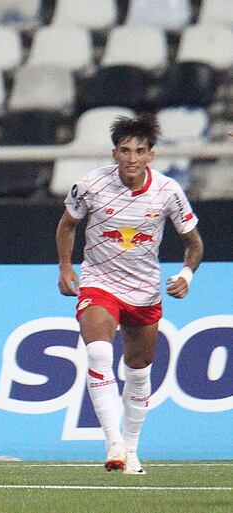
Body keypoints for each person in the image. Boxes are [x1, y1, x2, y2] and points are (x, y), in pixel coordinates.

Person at [55, 114, 203, 475]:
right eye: (125, 150)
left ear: (151, 155)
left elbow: (194, 244)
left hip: (144, 289)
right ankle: (113, 443)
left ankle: (132, 451)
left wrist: (187, 273)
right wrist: (65, 267)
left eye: (140, 150)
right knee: (99, 351)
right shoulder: (90, 185)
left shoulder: (168, 191)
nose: (132, 158)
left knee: (137, 371)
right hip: (99, 281)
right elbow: (67, 225)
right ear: (114, 153)